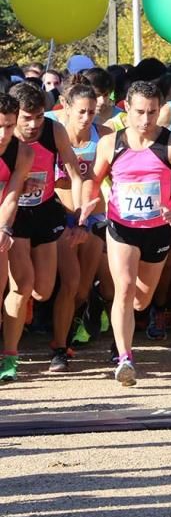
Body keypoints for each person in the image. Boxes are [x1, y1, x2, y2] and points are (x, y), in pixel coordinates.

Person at [91, 81, 171, 386]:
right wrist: (89, 204)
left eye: (152, 112)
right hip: (121, 227)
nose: (145, 119)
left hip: (157, 230)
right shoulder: (110, 144)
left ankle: (121, 330)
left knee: (141, 300)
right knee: (124, 288)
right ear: (127, 108)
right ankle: (125, 358)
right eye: (139, 112)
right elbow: (93, 179)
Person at [2, 83, 89, 383]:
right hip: (13, 216)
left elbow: (76, 175)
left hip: (45, 212)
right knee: (22, 286)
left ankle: (23, 329)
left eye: (38, 116)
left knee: (43, 290)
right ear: (14, 115)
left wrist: (78, 217)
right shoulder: (5, 136)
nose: (33, 124)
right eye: (26, 118)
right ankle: (10, 356)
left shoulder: (53, 132)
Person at [46, 82, 110, 372]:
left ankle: (74, 328)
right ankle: (58, 348)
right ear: (66, 107)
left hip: (93, 215)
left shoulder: (105, 135)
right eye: (81, 111)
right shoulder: (50, 129)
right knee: (70, 283)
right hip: (60, 214)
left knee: (83, 289)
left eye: (92, 112)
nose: (87, 118)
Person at [0, 93, 33, 382]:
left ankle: (10, 354)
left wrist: (3, 229)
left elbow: (12, 195)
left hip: (5, 222)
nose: (3, 134)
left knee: (21, 285)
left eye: (9, 126)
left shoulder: (22, 152)